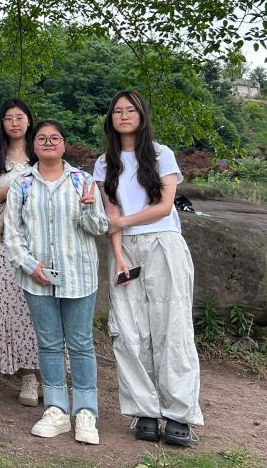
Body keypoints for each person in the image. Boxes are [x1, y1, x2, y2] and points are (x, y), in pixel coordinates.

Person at [94, 90, 203, 447]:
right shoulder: (104, 163)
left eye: (131, 110)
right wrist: (118, 254)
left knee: (173, 328)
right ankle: (143, 411)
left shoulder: (160, 154)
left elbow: (164, 205)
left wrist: (124, 222)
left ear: (142, 115)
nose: (124, 115)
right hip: (124, 248)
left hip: (163, 243)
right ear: (110, 118)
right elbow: (111, 213)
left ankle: (179, 414)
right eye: (117, 111)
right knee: (129, 331)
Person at [2, 120, 108, 446]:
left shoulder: (82, 181)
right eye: (42, 138)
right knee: (48, 344)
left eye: (55, 138)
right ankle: (57, 409)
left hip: (78, 275)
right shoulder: (22, 183)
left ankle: (86, 411)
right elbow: (12, 233)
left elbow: (100, 227)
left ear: (64, 144)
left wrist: (88, 210)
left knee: (80, 343)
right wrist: (30, 265)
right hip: (37, 278)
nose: (48, 142)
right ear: (33, 145)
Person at [0, 98, 41, 407]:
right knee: (14, 307)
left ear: (29, 121)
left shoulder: (41, 153)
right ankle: (27, 376)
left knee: (43, 307)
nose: (14, 123)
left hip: (43, 241)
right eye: (9, 118)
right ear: (1, 123)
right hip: (5, 241)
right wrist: (11, 189)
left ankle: (50, 373)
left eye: (20, 117)